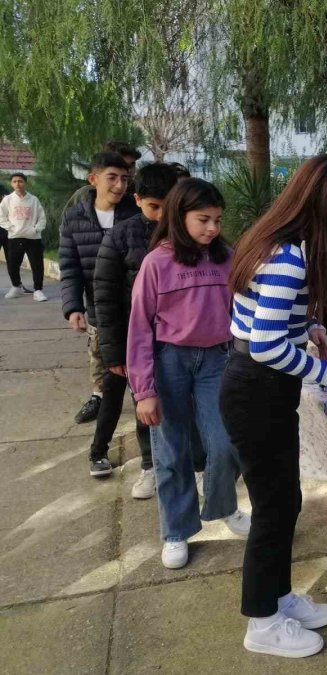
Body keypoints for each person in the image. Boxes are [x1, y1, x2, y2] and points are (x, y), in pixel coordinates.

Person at [219, 154, 327, 658]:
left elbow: (265, 315)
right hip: (257, 389)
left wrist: (311, 328)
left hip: (257, 386)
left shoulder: (272, 241)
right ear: (324, 208)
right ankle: (262, 624)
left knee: (284, 502)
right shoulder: (288, 258)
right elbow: (265, 346)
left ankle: (277, 597)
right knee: (274, 508)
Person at [127, 178, 249, 569]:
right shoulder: (156, 263)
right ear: (180, 217)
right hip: (170, 363)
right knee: (171, 450)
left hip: (217, 361)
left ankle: (224, 506)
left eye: (217, 220)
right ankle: (176, 530)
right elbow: (139, 329)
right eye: (203, 220)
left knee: (226, 442)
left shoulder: (226, 257)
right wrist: (144, 390)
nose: (212, 228)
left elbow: (249, 306)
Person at [94, 163, 178, 498]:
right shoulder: (120, 236)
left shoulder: (190, 232)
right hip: (139, 341)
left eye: (169, 207)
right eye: (154, 207)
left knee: (185, 405)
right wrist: (114, 352)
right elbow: (105, 297)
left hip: (181, 340)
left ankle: (192, 465)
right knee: (146, 404)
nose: (162, 216)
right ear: (138, 199)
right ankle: (150, 465)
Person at [60, 153, 141, 451]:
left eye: (125, 179)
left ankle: (147, 451)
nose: (120, 185)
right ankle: (99, 445)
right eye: (112, 178)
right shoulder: (74, 217)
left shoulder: (135, 213)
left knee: (139, 381)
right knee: (107, 373)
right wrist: (73, 307)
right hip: (99, 310)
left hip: (135, 309)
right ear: (93, 179)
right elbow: (69, 266)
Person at [1, 173, 47, 301]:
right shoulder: (8, 200)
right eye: (14, 181)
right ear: (11, 184)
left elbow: (42, 217)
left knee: (37, 264)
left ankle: (38, 290)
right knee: (13, 264)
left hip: (33, 237)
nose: (18, 184)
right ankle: (16, 287)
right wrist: (12, 228)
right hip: (15, 237)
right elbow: (1, 217)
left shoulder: (33, 200)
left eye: (20, 181)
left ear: (25, 183)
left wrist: (36, 229)